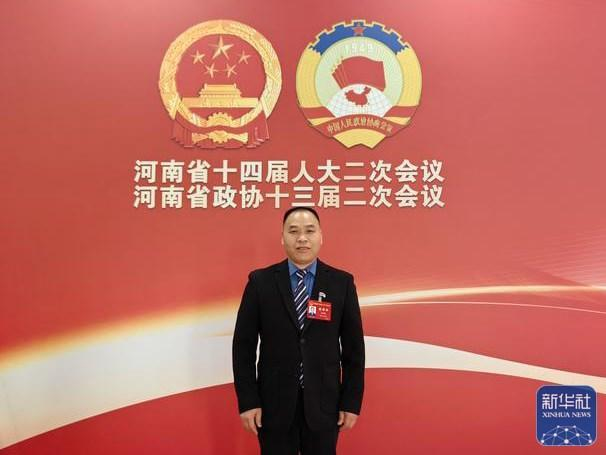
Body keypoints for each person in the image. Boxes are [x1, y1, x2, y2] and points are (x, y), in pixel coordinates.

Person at [232, 207, 365, 455]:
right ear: (282, 238)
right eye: (293, 231)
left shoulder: (341, 283)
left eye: (309, 231)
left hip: (325, 404)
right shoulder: (260, 282)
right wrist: (248, 401)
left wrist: (351, 401)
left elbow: (354, 349)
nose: (302, 238)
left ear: (321, 237)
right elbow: (243, 347)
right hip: (273, 404)